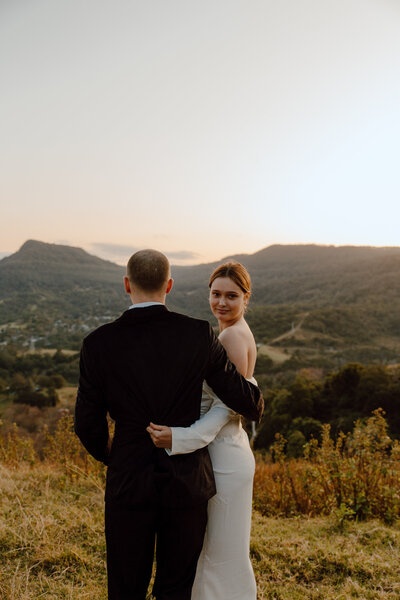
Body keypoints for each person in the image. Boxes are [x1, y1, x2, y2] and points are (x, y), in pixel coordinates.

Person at [74, 250, 263, 600]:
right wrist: (252, 388)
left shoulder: (97, 344)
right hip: (186, 480)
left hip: (129, 478)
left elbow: (87, 423)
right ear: (170, 285)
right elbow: (248, 403)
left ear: (127, 285)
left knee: (126, 585)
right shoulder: (198, 335)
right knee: (176, 587)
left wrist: (115, 456)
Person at [147, 261, 258, 599]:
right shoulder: (233, 331)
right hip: (226, 452)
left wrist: (180, 437)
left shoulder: (230, 337)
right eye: (216, 294)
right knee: (220, 552)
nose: (222, 302)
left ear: (245, 297)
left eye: (231, 296)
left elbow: (227, 408)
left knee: (217, 555)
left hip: (224, 457)